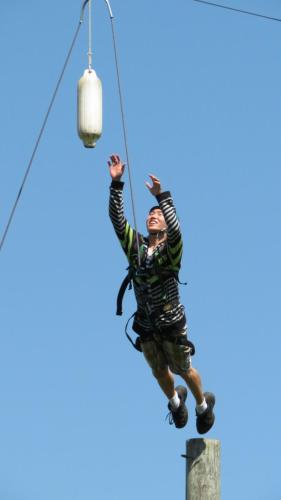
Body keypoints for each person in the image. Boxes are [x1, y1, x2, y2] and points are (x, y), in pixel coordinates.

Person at [108, 154, 215, 432]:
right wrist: (116, 184)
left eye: (157, 215)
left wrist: (162, 198)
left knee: (183, 369)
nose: (152, 216)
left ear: (165, 224)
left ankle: (203, 405)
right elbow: (118, 222)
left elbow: (177, 232)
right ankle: (175, 403)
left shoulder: (171, 252)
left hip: (170, 322)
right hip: (146, 322)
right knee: (158, 370)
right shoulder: (137, 249)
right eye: (150, 214)